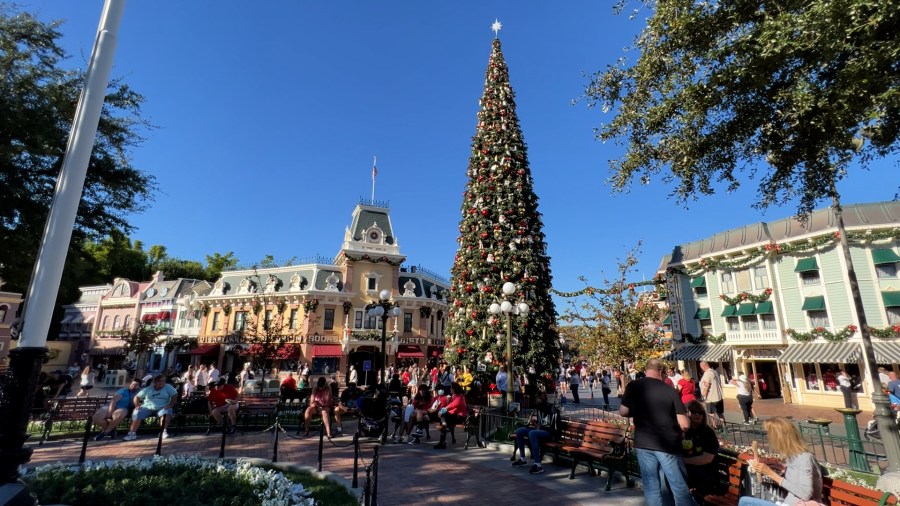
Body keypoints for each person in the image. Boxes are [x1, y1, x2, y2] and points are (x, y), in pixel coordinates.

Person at [620, 359, 695, 506]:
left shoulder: (633, 386)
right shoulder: (669, 390)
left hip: (643, 443)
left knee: (652, 488)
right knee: (679, 486)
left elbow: (623, 411)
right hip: (667, 444)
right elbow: (684, 424)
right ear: (660, 371)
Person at [739, 417, 824, 506]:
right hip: (785, 502)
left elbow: (805, 494)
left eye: (769, 434)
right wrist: (780, 467)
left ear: (778, 438)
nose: (768, 438)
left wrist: (770, 473)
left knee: (744, 501)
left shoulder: (804, 458)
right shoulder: (793, 456)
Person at [682, 400, 722, 501]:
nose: (697, 414)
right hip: (692, 472)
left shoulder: (707, 432)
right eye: (694, 412)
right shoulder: (685, 431)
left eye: (700, 412)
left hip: (706, 473)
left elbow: (707, 459)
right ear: (688, 414)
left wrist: (683, 461)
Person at [511, 392, 559, 475]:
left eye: (539, 400)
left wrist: (539, 427)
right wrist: (535, 423)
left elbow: (554, 427)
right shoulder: (539, 409)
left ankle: (538, 465)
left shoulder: (552, 410)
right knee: (520, 431)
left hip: (549, 433)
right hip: (540, 431)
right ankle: (522, 459)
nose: (537, 402)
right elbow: (539, 422)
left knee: (532, 433)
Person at [123, 374, 178, 441]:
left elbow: (175, 395)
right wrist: (137, 405)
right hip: (147, 407)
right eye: (159, 381)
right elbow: (137, 397)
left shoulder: (168, 387)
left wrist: (170, 405)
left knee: (166, 412)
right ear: (155, 382)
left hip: (162, 407)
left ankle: (163, 431)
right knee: (137, 412)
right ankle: (132, 433)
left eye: (163, 381)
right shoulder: (149, 388)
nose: (162, 383)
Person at [433, 382, 467, 449]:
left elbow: (451, 406)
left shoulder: (459, 397)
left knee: (443, 416)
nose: (450, 389)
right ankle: (444, 427)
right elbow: (450, 406)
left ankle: (442, 442)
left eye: (451, 388)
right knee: (444, 419)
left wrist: (442, 410)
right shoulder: (454, 397)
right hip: (454, 416)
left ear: (454, 389)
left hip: (460, 417)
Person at [699, 361, 725, 431]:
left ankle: (714, 427)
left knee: (711, 413)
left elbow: (707, 385)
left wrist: (704, 393)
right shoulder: (714, 372)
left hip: (711, 397)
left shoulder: (707, 373)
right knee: (720, 413)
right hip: (719, 396)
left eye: (701, 367)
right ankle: (724, 426)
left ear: (703, 366)